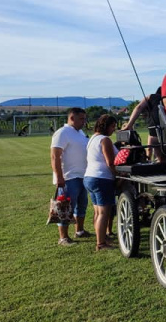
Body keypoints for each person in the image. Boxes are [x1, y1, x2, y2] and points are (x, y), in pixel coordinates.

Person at [50, 107, 90, 246]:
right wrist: (59, 176)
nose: (84, 122)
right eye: (81, 119)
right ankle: (63, 237)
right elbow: (55, 156)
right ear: (71, 118)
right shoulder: (62, 133)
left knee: (82, 205)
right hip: (68, 177)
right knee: (65, 207)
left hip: (83, 176)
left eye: (85, 119)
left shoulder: (80, 133)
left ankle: (79, 230)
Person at [83, 114, 119, 252]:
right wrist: (118, 175)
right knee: (104, 213)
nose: (113, 130)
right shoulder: (105, 140)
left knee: (98, 212)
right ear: (106, 126)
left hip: (89, 177)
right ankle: (101, 243)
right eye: (112, 126)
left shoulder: (92, 139)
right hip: (102, 179)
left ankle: (101, 237)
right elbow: (110, 162)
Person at [121, 87, 163, 162]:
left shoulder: (151, 97)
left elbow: (138, 107)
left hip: (154, 131)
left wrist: (129, 124)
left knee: (161, 160)